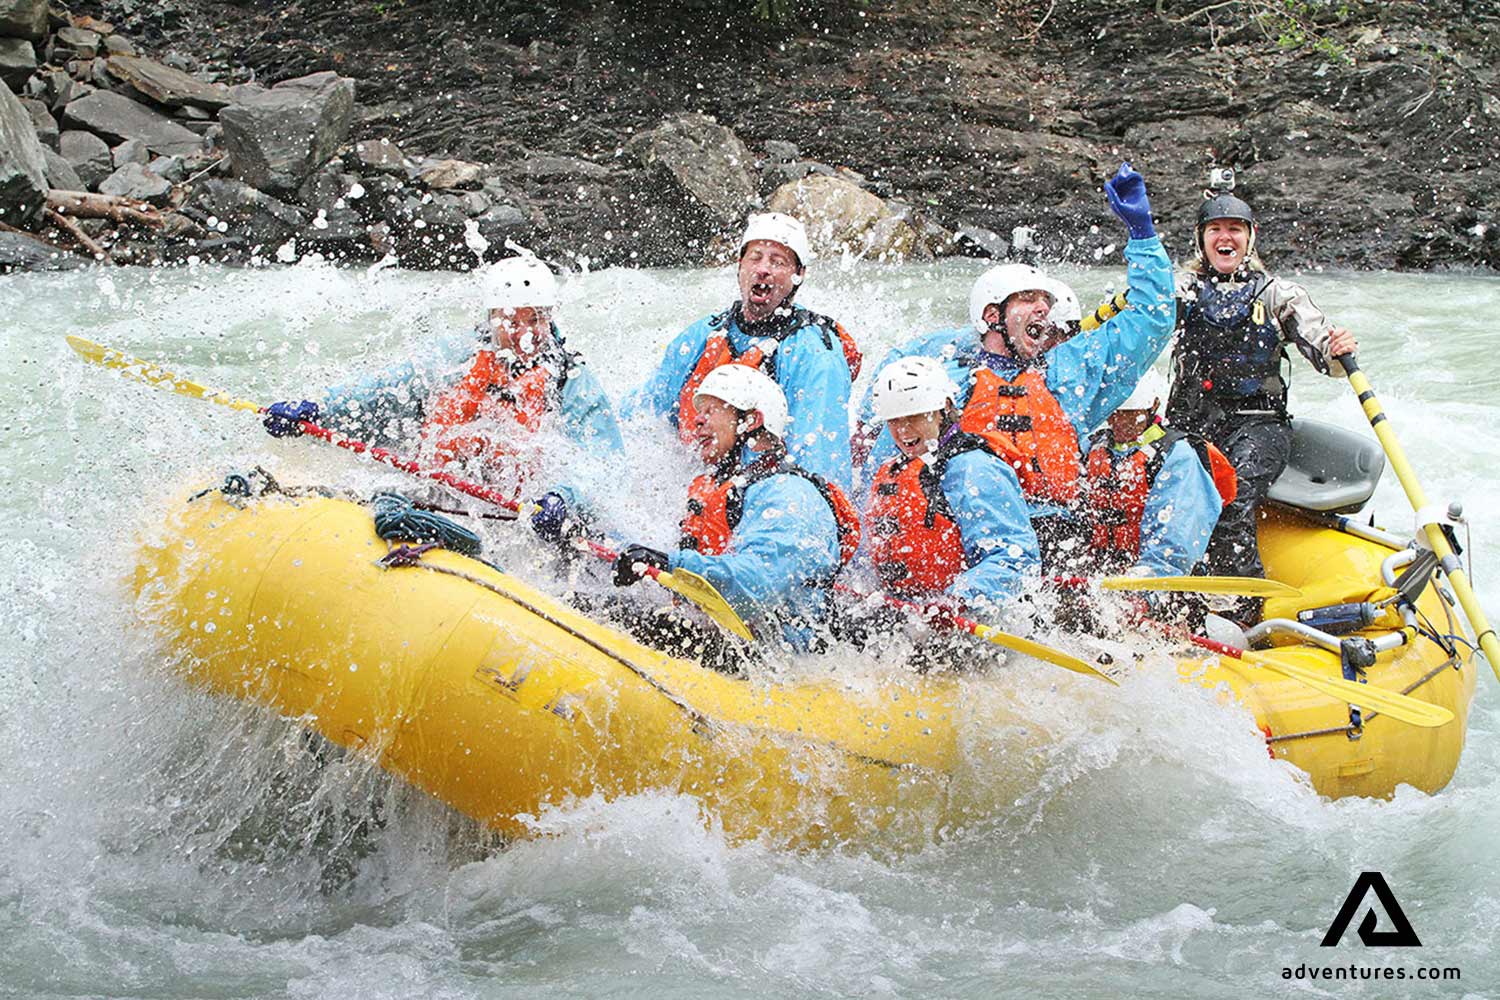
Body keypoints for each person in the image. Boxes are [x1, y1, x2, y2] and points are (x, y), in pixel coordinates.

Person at [856, 163, 1177, 572]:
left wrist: (1143, 236)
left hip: (1055, 537)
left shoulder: (1071, 372)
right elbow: (888, 472)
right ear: (992, 315)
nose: (1043, 307)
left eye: (1045, 300)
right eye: (1027, 299)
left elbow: (1152, 320)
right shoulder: (943, 380)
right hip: (967, 538)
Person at [261, 251, 623, 527]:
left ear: (550, 316)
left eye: (536, 319)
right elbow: (386, 390)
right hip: (444, 492)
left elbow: (602, 460)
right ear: (492, 317)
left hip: (526, 512)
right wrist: (320, 409)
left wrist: (564, 497)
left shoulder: (571, 380)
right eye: (511, 320)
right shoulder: (456, 357)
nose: (524, 333)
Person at [1166, 181, 1358, 617]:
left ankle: (1246, 604)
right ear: (1201, 239)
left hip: (1258, 425)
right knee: (1167, 496)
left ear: (1250, 238)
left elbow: (1325, 354)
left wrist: (1337, 348)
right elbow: (1135, 331)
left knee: (1230, 495)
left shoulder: (1279, 295)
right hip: (1191, 424)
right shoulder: (1180, 292)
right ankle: (1173, 594)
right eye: (1215, 229)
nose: (1225, 238)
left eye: (1235, 229)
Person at [611, 365, 860, 656]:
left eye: (712, 411)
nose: (697, 422)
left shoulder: (789, 493)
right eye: (699, 412)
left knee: (631, 623)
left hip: (781, 660)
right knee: (612, 608)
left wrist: (669, 564)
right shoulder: (728, 490)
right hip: (734, 646)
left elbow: (754, 585)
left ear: (751, 420)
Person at [620, 212, 861, 491]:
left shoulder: (816, 352)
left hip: (766, 494)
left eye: (777, 262)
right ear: (740, 265)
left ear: (799, 275)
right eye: (755, 257)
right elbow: (642, 417)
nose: (763, 269)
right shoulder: (701, 335)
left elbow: (818, 465)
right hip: (698, 490)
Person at [862, 357, 1040, 614]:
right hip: (913, 615)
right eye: (894, 420)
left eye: (913, 416)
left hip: (974, 617)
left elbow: (1014, 557)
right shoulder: (896, 469)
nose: (902, 431)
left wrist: (958, 602)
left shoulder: (973, 468)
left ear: (943, 408)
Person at [1081, 369, 1232, 578]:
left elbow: (1174, 545)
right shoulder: (1090, 447)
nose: (1119, 421)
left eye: (1129, 413)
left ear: (1153, 406)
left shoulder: (1177, 457)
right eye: (1114, 412)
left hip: (1156, 580)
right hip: (1098, 571)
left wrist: (1145, 592)